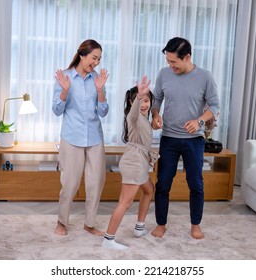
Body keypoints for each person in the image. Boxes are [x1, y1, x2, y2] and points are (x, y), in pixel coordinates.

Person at [150, 37, 220, 240]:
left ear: (187, 57)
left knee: (195, 183)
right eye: (168, 61)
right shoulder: (164, 74)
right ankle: (161, 224)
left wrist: (199, 121)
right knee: (163, 183)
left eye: (174, 62)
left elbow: (214, 105)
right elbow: (157, 99)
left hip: (194, 140)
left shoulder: (205, 77)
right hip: (169, 138)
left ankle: (195, 225)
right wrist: (155, 115)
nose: (170, 66)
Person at [52, 39, 109, 236]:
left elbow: (103, 112)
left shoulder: (97, 79)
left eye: (99, 59)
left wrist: (100, 91)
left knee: (96, 182)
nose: (97, 62)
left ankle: (89, 224)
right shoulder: (65, 77)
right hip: (71, 136)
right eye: (94, 57)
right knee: (70, 183)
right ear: (82, 55)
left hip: (94, 137)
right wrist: (65, 91)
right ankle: (62, 221)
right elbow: (57, 111)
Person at [102, 76, 159, 250]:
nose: (143, 104)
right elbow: (134, 112)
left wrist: (154, 122)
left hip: (139, 163)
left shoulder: (144, 120)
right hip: (134, 163)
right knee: (125, 202)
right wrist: (139, 98)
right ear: (131, 101)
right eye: (139, 101)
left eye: (147, 100)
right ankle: (108, 240)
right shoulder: (132, 117)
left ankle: (139, 228)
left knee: (149, 190)